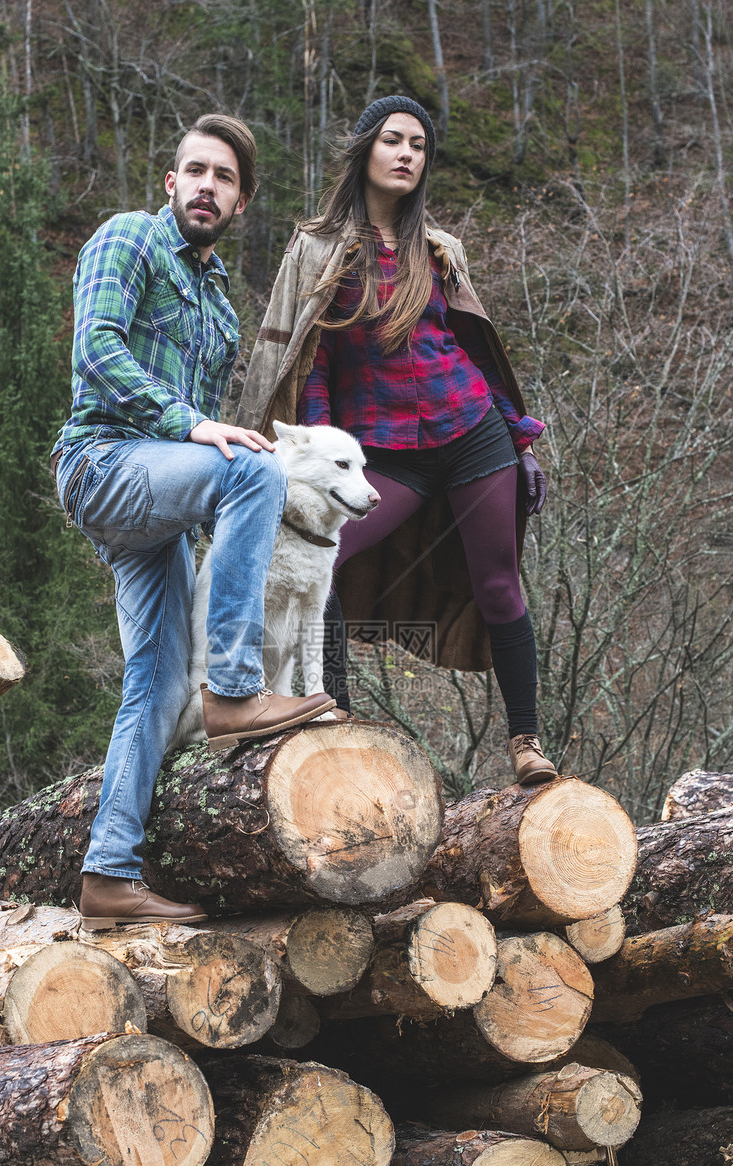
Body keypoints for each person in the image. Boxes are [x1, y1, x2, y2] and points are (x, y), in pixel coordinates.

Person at [52, 114, 334, 930]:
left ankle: (108, 873)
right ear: (171, 182)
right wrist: (188, 424)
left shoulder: (220, 309)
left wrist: (200, 443)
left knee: (155, 677)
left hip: (156, 501)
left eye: (225, 177)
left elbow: (208, 448)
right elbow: (97, 352)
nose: (208, 185)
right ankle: (237, 690)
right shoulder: (129, 240)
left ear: (240, 202)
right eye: (196, 170)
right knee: (252, 469)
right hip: (102, 461)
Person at [238, 95, 556, 787]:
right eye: (393, 140)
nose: (408, 153)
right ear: (365, 150)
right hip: (382, 452)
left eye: (419, 145)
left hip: (472, 432)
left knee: (499, 583)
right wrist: (316, 458)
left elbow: (470, 347)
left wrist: (520, 441)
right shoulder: (320, 248)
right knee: (316, 563)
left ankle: (526, 741)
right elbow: (306, 361)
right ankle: (334, 719)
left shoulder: (440, 250)